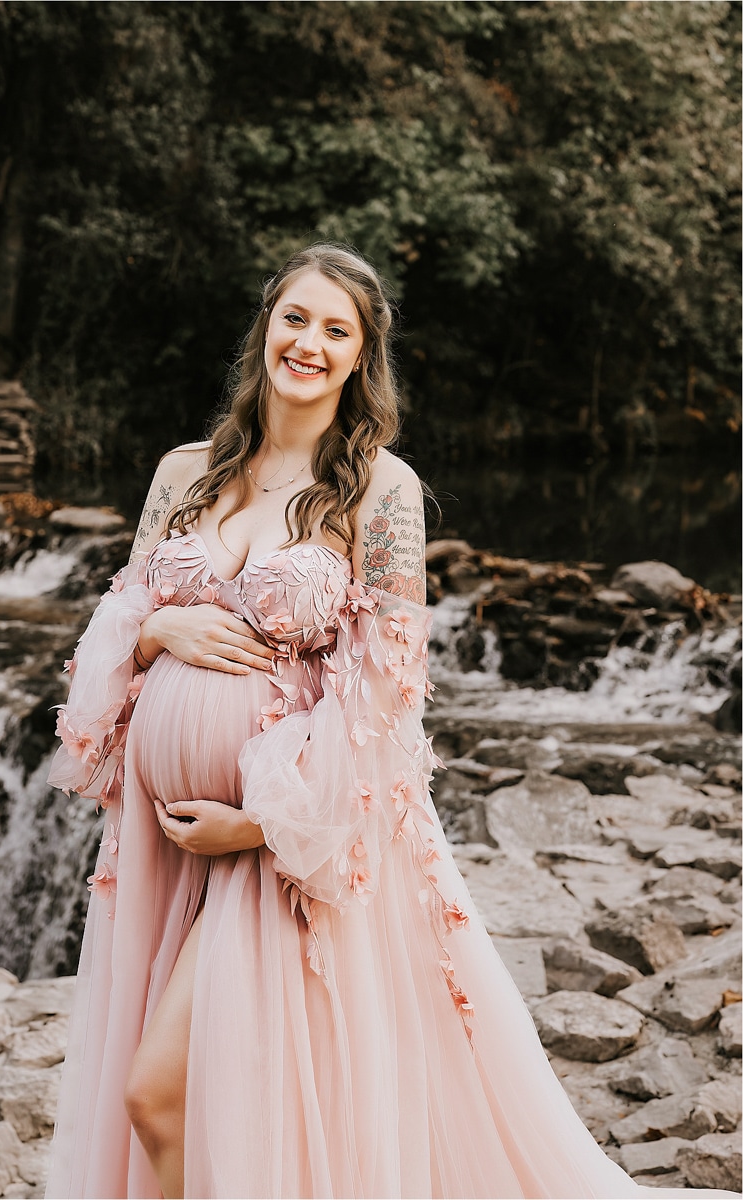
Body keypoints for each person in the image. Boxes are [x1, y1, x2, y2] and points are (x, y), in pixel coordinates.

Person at [44, 244, 731, 1200]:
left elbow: (385, 698)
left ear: (360, 358)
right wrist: (159, 628)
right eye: (295, 318)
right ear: (265, 329)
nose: (309, 344)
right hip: (166, 852)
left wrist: (270, 823)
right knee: (210, 1104)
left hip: (282, 852)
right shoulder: (182, 474)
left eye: (336, 330)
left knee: (163, 1097)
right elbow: (111, 631)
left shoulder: (381, 492)